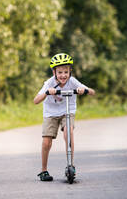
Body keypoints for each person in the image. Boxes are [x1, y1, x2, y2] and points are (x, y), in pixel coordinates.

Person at [34, 53, 95, 181]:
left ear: (70, 71)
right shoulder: (49, 83)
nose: (63, 75)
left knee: (69, 132)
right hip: (50, 113)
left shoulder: (72, 81)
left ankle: (70, 165)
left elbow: (92, 92)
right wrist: (46, 92)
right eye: (60, 72)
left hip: (68, 111)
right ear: (54, 72)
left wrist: (83, 90)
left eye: (66, 72)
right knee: (46, 141)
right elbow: (36, 100)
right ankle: (43, 170)